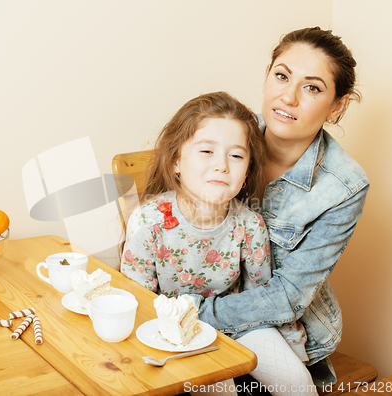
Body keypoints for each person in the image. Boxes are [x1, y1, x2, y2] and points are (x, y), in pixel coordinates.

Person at [184, 27, 369, 395]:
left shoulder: (344, 186)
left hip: (279, 327)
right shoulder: (223, 133)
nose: (289, 96)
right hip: (192, 308)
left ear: (338, 105)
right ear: (268, 77)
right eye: (282, 76)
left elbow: (288, 295)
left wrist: (194, 315)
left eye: (312, 87)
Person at [120, 91, 317, 395]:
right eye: (206, 151)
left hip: (239, 324)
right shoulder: (148, 222)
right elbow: (138, 305)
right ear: (176, 161)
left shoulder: (249, 223)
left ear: (247, 171)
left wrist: (295, 354)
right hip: (173, 331)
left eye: (236, 155)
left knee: (297, 384)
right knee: (220, 387)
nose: (222, 166)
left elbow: (262, 300)